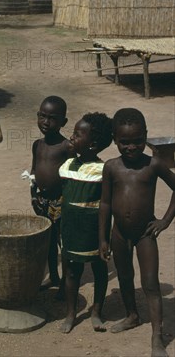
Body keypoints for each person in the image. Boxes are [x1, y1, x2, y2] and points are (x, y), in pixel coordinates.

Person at [99, 108, 175, 357]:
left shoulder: (153, 165)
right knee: (124, 276)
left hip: (145, 234)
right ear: (114, 139)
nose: (131, 147)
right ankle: (132, 314)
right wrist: (102, 238)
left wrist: (164, 221)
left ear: (146, 136)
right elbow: (106, 203)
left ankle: (157, 339)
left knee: (151, 284)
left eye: (137, 141)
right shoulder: (111, 167)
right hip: (118, 233)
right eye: (124, 142)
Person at [59, 112, 113, 333]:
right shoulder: (69, 164)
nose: (71, 137)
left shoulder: (103, 170)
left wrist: (103, 239)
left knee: (100, 269)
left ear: (92, 144)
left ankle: (97, 312)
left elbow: (106, 205)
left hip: (95, 230)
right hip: (71, 228)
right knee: (72, 271)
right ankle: (71, 314)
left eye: (77, 134)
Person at [29, 96, 74, 296]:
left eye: (53, 118)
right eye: (43, 116)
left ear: (63, 122)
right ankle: (53, 275)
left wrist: (68, 201)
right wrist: (33, 192)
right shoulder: (37, 145)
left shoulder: (67, 147)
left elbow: (72, 176)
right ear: (38, 116)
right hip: (42, 201)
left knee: (63, 242)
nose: (46, 122)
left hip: (61, 201)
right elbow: (34, 170)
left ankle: (66, 281)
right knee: (48, 241)